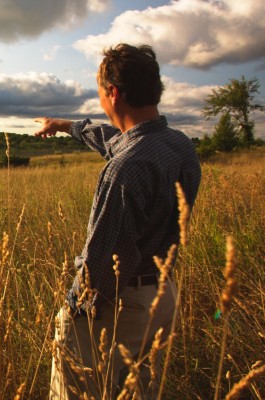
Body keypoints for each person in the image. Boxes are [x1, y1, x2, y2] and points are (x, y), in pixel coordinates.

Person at [34, 44, 202, 399]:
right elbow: (116, 140)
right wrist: (63, 125)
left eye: (100, 93)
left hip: (119, 307)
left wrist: (73, 312)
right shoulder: (178, 145)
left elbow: (102, 266)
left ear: (113, 93)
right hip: (161, 295)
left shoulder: (126, 169)